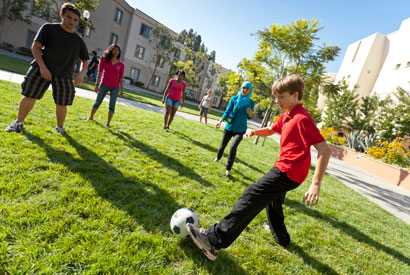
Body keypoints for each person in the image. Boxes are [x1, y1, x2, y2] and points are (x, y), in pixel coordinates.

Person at [186, 75, 331, 261]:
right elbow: (271, 130)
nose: (277, 101)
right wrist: (254, 131)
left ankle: (214, 241)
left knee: (251, 195)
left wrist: (316, 184)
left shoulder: (302, 118)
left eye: (281, 97)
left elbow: (324, 150)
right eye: (276, 97)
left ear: (295, 95)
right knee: (273, 203)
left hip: (288, 171)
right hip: (290, 171)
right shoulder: (288, 115)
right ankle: (282, 239)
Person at [5, 3, 89, 135]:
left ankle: (59, 128)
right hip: (42, 69)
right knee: (29, 95)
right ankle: (18, 123)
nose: (72, 21)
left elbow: (85, 60)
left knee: (62, 103)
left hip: (64, 75)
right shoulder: (49, 28)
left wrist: (81, 73)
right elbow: (36, 46)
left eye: (75, 19)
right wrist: (43, 67)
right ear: (62, 15)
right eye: (69, 17)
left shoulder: (78, 40)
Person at [213, 81, 255, 177]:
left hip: (241, 129)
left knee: (233, 147)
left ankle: (228, 169)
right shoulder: (234, 99)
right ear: (241, 88)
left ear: (250, 90)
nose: (245, 90)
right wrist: (220, 121)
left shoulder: (251, 102)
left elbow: (250, 117)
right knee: (222, 145)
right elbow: (228, 111)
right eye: (243, 87)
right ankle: (218, 157)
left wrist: (250, 113)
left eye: (247, 88)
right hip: (230, 126)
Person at [87, 44, 124, 128]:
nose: (116, 51)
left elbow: (121, 78)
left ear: (119, 53)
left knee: (112, 105)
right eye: (114, 49)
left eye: (117, 50)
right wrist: (96, 85)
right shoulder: (104, 60)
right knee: (98, 101)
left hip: (115, 87)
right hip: (104, 84)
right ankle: (91, 116)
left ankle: (108, 123)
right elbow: (99, 73)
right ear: (111, 50)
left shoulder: (121, 65)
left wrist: (122, 91)